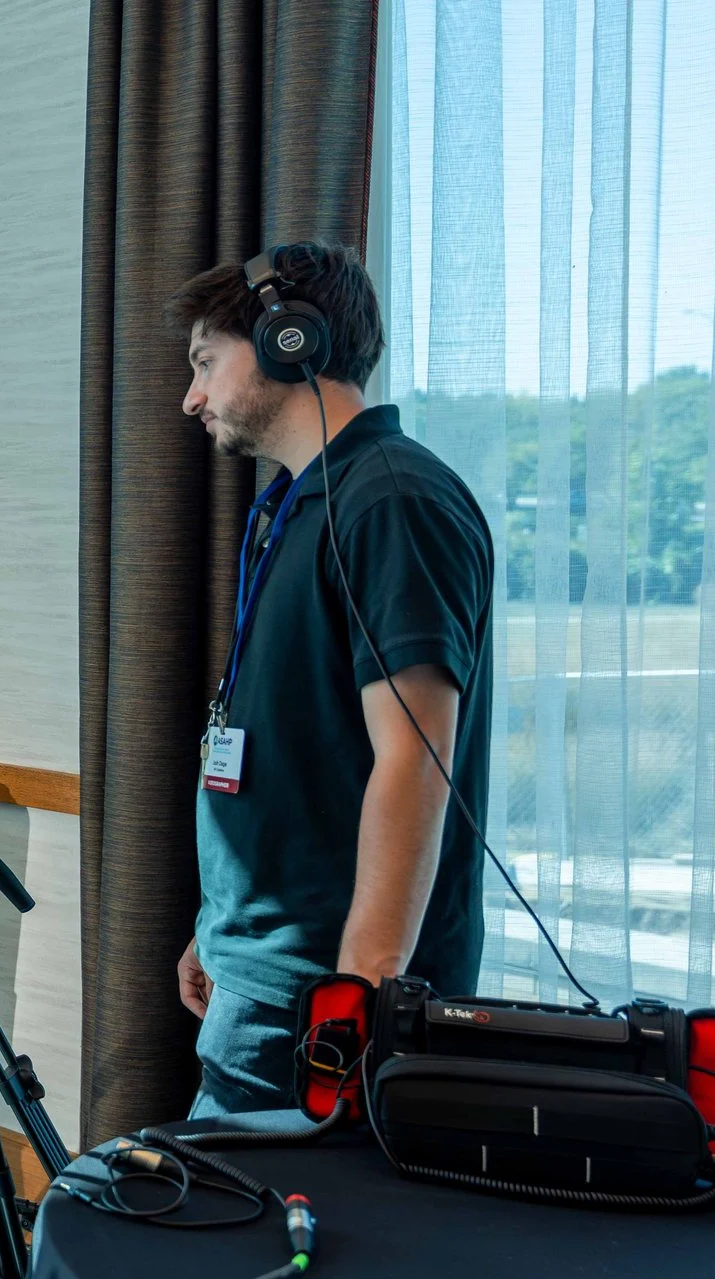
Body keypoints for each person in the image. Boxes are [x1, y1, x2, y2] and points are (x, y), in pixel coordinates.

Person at [168, 243, 494, 1117]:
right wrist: (221, 931)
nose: (190, 396)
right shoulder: (297, 504)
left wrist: (364, 998)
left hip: (321, 1002)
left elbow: (413, 762)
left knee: (243, 1248)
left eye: (206, 362)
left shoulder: (391, 501)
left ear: (288, 342)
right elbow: (296, 750)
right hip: (264, 978)